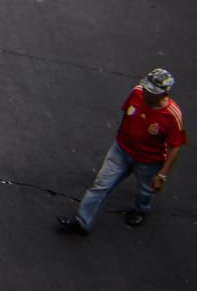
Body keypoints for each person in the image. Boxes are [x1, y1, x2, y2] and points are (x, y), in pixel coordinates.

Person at [58, 69, 184, 234]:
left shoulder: (172, 115)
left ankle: (141, 209)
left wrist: (162, 175)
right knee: (101, 185)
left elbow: (176, 146)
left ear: (164, 94)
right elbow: (127, 113)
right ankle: (82, 221)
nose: (146, 93)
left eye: (151, 92)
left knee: (146, 190)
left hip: (148, 161)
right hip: (121, 150)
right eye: (146, 88)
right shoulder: (137, 93)